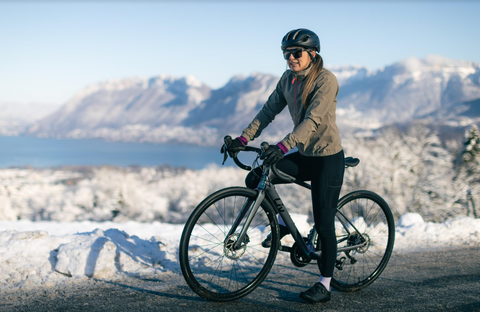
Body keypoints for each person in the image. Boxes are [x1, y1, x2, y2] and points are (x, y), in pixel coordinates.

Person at [225, 28, 345, 304]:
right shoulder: (288, 79)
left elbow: (313, 121)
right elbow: (269, 110)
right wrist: (244, 137)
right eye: (286, 54)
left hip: (327, 158)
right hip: (305, 154)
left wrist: (283, 146)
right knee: (257, 178)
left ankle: (325, 285)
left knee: (324, 223)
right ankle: (282, 224)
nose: (290, 58)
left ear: (312, 53)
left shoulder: (326, 80)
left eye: (296, 53)